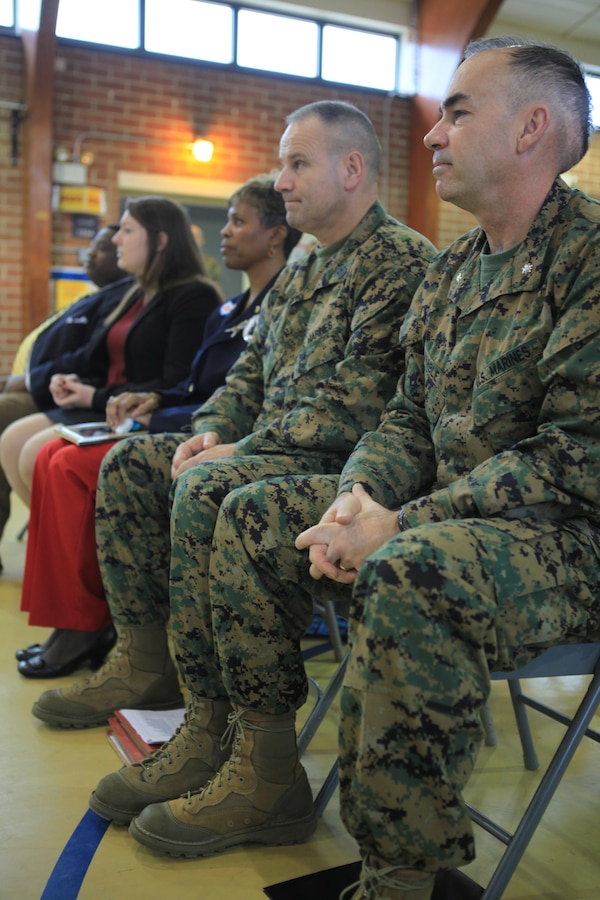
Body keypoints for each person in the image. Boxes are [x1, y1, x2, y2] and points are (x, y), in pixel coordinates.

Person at [145, 37, 600, 897]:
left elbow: (578, 456)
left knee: (413, 570)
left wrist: (402, 524)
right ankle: (263, 770)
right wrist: (361, 496)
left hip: (571, 536)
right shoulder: (458, 271)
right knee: (258, 512)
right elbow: (407, 418)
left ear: (532, 127)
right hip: (454, 515)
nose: (432, 134)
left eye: (458, 112)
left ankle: (399, 879)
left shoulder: (589, 262)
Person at [31, 100, 436, 847]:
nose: (280, 181)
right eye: (281, 164)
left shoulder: (401, 263)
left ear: (352, 170)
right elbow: (249, 374)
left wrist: (239, 451)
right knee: (133, 463)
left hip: (341, 471)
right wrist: (213, 426)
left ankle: (252, 751)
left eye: (297, 163)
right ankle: (152, 669)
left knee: (213, 486)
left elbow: (360, 403)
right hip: (272, 450)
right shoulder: (308, 262)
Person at [16, 173, 302, 678]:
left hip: (226, 433)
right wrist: (150, 400)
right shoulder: (229, 309)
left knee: (69, 465)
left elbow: (245, 399)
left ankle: (94, 624)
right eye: (227, 219)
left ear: (276, 234)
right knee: (52, 456)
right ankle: (74, 621)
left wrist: (152, 411)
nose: (224, 232)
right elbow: (191, 385)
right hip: (188, 418)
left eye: (239, 221)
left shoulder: (286, 302)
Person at [0, 195, 222, 511]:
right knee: (11, 442)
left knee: (33, 453)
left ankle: (77, 549)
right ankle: (54, 547)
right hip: (103, 401)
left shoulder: (193, 296)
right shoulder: (136, 291)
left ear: (159, 241)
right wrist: (70, 380)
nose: (117, 237)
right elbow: (99, 355)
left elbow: (176, 382)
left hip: (129, 411)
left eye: (128, 230)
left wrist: (93, 396)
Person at [0, 225, 133, 570]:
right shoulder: (94, 296)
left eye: (104, 246)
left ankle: (71, 558)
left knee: (7, 420)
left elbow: (87, 358)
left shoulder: (124, 298)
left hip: (68, 393)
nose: (90, 252)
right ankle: (58, 553)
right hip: (56, 388)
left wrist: (30, 381)